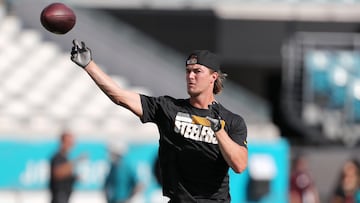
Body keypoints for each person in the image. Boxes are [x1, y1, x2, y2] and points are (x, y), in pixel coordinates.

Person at [70, 39, 248, 202]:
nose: (190, 76)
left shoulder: (232, 121)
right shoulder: (168, 108)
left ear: (213, 77)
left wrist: (218, 130)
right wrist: (89, 65)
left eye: (197, 71)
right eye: (188, 71)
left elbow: (239, 165)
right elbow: (120, 96)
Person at [49, 130, 80, 203]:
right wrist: (75, 162)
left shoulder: (65, 158)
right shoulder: (57, 157)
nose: (71, 144)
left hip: (65, 196)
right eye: (69, 142)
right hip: (59, 197)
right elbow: (57, 173)